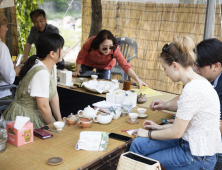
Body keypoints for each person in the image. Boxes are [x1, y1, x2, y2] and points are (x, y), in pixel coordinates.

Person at [129, 36, 222, 170]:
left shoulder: (193, 88)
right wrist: (158, 127)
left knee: (145, 163)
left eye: (165, 69)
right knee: (138, 145)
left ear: (174, 65)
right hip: (188, 143)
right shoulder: (198, 81)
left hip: (197, 156)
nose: (166, 74)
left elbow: (176, 133)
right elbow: (184, 128)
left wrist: (148, 133)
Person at [3, 33, 63, 129]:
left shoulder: (50, 67)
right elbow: (43, 107)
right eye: (61, 48)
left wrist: (59, 120)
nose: (63, 51)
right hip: (24, 118)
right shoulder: (41, 72)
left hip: (34, 114)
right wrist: (54, 127)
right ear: (52, 54)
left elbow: (54, 94)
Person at [72, 29, 147, 89]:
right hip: (88, 62)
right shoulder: (90, 43)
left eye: (110, 47)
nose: (108, 50)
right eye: (104, 47)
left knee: (105, 86)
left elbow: (125, 65)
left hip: (105, 66)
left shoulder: (115, 49)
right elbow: (81, 56)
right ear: (98, 44)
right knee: (84, 83)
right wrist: (77, 71)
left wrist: (138, 80)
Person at [0, 13, 21, 100]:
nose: (7, 29)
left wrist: (8, 64)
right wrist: (14, 70)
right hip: (2, 95)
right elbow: (10, 78)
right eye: (5, 26)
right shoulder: (2, 47)